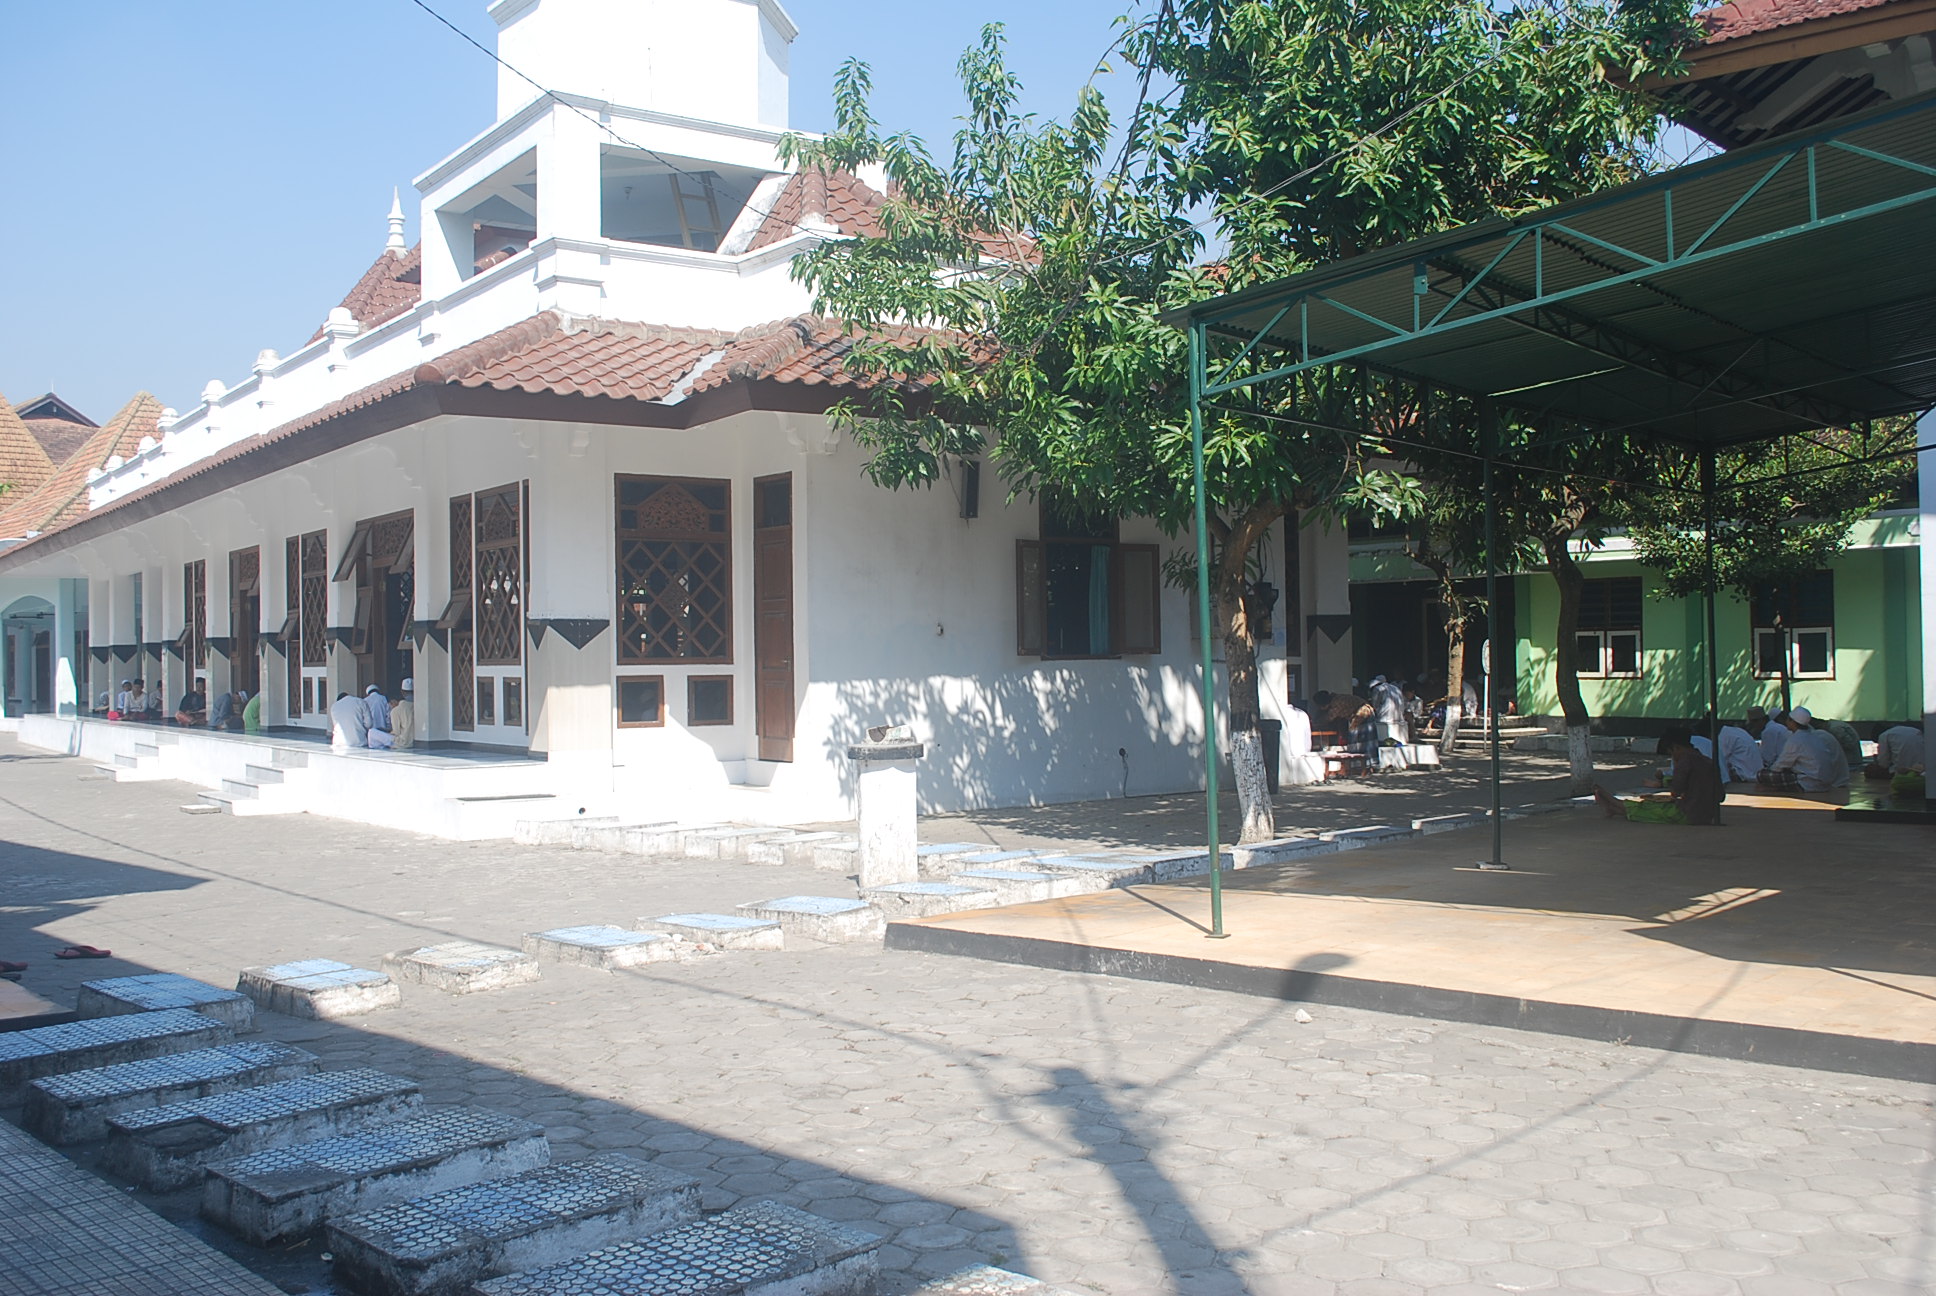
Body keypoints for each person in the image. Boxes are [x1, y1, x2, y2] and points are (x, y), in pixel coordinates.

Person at [1593, 728, 1724, 825]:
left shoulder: (1684, 762)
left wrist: (1667, 780)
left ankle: (1614, 804)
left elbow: (1676, 792)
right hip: (1709, 813)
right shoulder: (1706, 760)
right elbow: (1720, 795)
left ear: (1675, 748)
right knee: (1651, 808)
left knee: (1648, 808)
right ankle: (1614, 808)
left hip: (1688, 814)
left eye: (1670, 753)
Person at [1756, 707, 1850, 792]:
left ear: (1792, 722)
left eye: (1788, 720)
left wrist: (1770, 771)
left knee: (1762, 775)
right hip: (1825, 782)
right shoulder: (1814, 735)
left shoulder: (1796, 739)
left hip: (1809, 782)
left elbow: (1782, 763)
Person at [390, 678, 416, 751]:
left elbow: (396, 732)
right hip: (416, 742)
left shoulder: (396, 710)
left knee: (373, 733)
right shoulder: (418, 706)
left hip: (403, 742)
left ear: (402, 692)